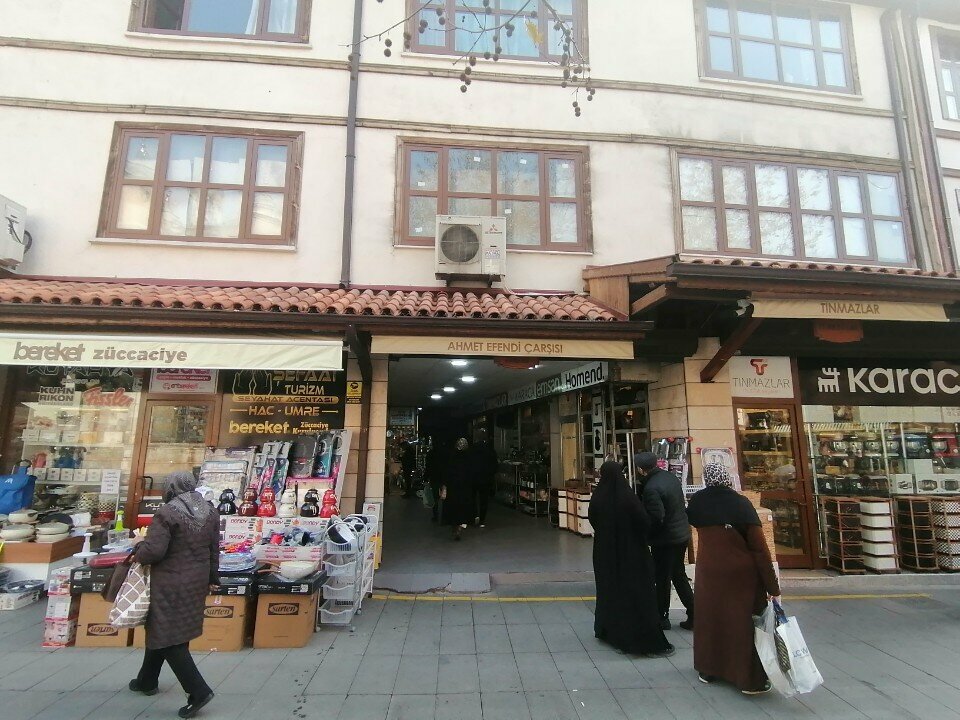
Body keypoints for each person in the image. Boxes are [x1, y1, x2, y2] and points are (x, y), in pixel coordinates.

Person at [128, 471, 218, 718]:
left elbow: (153, 552)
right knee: (167, 629)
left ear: (170, 488)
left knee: (168, 636)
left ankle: (198, 691)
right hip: (196, 580)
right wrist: (213, 578)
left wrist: (138, 544)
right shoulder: (209, 511)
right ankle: (146, 680)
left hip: (169, 581)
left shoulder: (167, 512)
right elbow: (214, 550)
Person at [687, 463, 781, 696]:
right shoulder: (740, 504)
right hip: (741, 577)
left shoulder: (697, 502)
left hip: (709, 572)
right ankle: (748, 679)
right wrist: (772, 585)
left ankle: (709, 670)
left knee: (711, 621)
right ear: (728, 478)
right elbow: (759, 550)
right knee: (742, 625)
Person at [588, 461, 675, 657]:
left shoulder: (598, 497)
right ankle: (639, 638)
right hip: (631, 553)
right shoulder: (628, 499)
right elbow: (644, 522)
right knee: (635, 592)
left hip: (604, 553)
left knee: (608, 590)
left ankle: (607, 629)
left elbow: (593, 519)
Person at [635, 452, 695, 631]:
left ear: (640, 469)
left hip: (665, 539)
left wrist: (647, 536)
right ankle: (695, 613)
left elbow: (656, 517)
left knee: (662, 578)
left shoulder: (651, 488)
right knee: (678, 574)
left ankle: (662, 617)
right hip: (681, 534)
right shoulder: (670, 478)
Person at [441, 438, 473, 540]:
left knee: (453, 508)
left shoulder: (451, 457)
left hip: (452, 488)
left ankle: (454, 527)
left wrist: (444, 485)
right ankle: (460, 527)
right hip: (465, 488)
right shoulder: (468, 458)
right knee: (463, 509)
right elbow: (471, 474)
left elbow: (446, 472)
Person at [470, 430, 498, 527]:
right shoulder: (490, 450)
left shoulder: (472, 449)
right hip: (485, 478)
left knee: (472, 498)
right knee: (484, 500)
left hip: (473, 478)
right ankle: (482, 520)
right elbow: (495, 465)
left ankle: (474, 516)